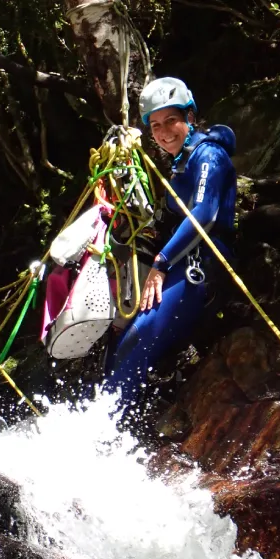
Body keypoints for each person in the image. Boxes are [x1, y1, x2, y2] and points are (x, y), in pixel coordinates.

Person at [105, 76, 237, 404]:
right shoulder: (182, 163)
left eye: (172, 120)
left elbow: (204, 213)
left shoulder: (209, 154)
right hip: (183, 259)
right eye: (156, 125)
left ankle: (108, 425)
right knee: (120, 338)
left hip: (203, 261)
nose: (164, 132)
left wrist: (161, 263)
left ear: (190, 117)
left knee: (141, 336)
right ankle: (114, 418)